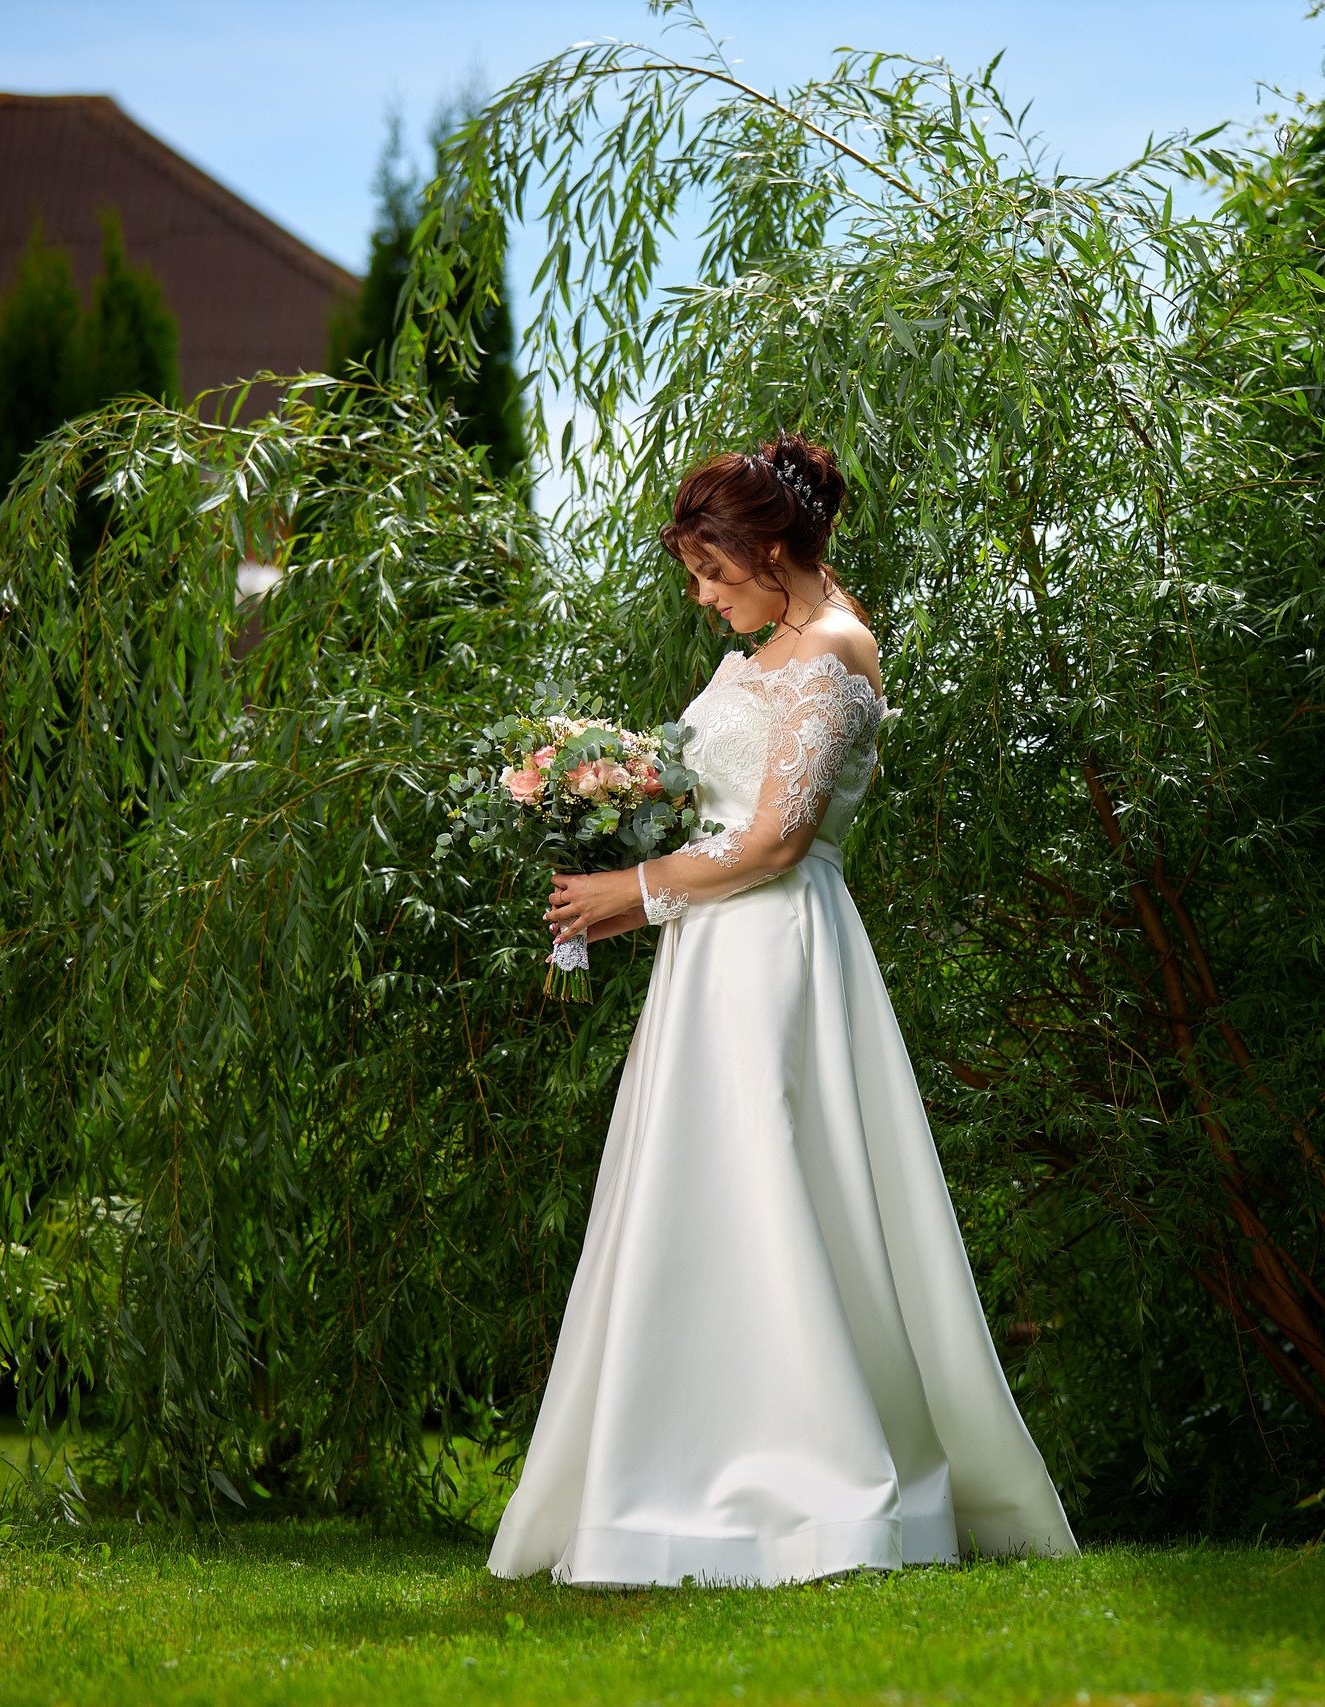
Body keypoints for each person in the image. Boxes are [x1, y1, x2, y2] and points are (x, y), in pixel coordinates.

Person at [487, 434, 1078, 1588]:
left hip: (775, 952)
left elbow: (776, 839)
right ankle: (671, 1470)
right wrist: (605, 782)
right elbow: (713, 788)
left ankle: (816, 1487)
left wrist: (632, 892)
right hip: (712, 954)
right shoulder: (766, 650)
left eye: (714, 573)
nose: (706, 600)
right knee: (700, 1193)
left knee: (778, 1186)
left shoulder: (833, 654)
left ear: (770, 548)